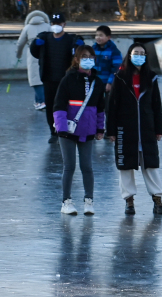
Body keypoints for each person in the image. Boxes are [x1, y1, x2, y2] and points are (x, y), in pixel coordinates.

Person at [105, 43, 162, 216]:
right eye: (136, 53)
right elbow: (112, 106)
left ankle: (157, 200)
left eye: (142, 53)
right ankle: (129, 201)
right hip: (125, 129)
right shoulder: (120, 77)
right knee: (125, 166)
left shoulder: (151, 78)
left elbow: (157, 105)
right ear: (129, 55)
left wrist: (159, 128)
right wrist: (110, 130)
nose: (139, 56)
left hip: (147, 128)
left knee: (151, 166)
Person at [53, 45, 107, 216]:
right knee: (69, 166)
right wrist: (61, 129)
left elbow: (100, 109)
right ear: (76, 59)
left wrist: (100, 128)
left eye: (91, 57)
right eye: (84, 56)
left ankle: (89, 201)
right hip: (68, 130)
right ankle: (66, 201)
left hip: (88, 130)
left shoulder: (97, 82)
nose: (88, 59)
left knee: (87, 167)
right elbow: (59, 105)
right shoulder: (67, 80)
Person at [30, 12, 84, 142]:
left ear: (64, 24)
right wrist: (35, 44)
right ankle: (54, 131)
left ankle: (67, 129)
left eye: (59, 24)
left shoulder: (70, 40)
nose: (56, 26)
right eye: (54, 24)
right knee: (51, 106)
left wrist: (80, 45)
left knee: (66, 105)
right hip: (49, 79)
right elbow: (35, 53)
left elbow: (80, 54)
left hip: (66, 80)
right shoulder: (45, 38)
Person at [16, 10, 51, 111]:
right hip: (46, 54)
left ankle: (41, 101)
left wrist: (18, 55)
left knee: (35, 79)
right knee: (44, 78)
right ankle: (38, 101)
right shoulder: (48, 27)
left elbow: (20, 43)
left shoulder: (27, 27)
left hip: (32, 55)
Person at [91, 25, 123, 93]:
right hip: (94, 82)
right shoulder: (93, 49)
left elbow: (116, 69)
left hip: (106, 84)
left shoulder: (114, 51)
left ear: (108, 37)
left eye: (101, 35)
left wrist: (110, 83)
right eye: (96, 35)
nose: (98, 38)